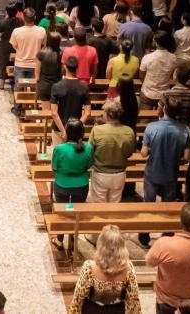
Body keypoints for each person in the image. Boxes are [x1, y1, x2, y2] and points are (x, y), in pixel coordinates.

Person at [140, 98, 190, 247]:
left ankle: (144, 237)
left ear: (165, 109)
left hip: (152, 173)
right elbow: (187, 156)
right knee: (168, 207)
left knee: (148, 205)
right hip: (171, 174)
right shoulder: (185, 130)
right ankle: (167, 236)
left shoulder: (151, 127)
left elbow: (143, 153)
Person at [68, 224, 142, 314]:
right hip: (117, 311)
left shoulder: (89, 267)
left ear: (101, 244)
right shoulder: (128, 268)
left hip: (92, 310)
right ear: (121, 245)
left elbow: (78, 298)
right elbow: (134, 300)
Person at [51, 118, 93, 251]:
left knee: (63, 213)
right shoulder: (88, 147)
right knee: (77, 212)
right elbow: (89, 164)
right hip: (81, 184)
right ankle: (74, 236)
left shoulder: (59, 148)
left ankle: (59, 239)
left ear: (67, 132)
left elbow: (54, 167)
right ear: (82, 133)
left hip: (62, 183)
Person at [87, 98, 136, 203]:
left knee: (98, 204)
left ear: (107, 113)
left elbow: (89, 151)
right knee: (115, 204)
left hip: (100, 173)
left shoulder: (97, 130)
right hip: (120, 174)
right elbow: (129, 153)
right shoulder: (129, 131)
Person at [51, 56, 91, 145]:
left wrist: (64, 132)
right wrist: (75, 127)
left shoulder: (56, 86)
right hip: (76, 132)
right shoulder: (84, 87)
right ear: (77, 67)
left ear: (65, 66)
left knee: (59, 153)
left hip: (59, 129)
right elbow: (87, 112)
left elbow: (54, 113)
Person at [140, 30, 179, 109]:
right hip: (164, 93)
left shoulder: (147, 57)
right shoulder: (173, 58)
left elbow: (141, 76)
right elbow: (171, 75)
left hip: (147, 92)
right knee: (161, 115)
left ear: (156, 42)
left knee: (145, 116)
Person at [10, 8, 47, 89]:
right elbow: (44, 46)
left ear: (23, 18)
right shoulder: (42, 31)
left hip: (20, 63)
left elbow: (14, 46)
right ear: (35, 17)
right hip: (36, 64)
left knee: (18, 88)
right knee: (35, 89)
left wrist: (21, 50)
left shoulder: (16, 31)